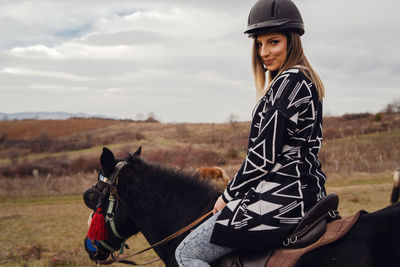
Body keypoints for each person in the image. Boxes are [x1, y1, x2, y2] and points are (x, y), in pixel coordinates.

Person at [175, 0, 326, 265]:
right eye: (259, 44)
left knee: (186, 253)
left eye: (273, 42)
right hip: (304, 190)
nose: (264, 52)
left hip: (282, 199)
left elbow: (262, 157)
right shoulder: (302, 80)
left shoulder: (290, 82)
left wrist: (228, 195)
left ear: (292, 41)